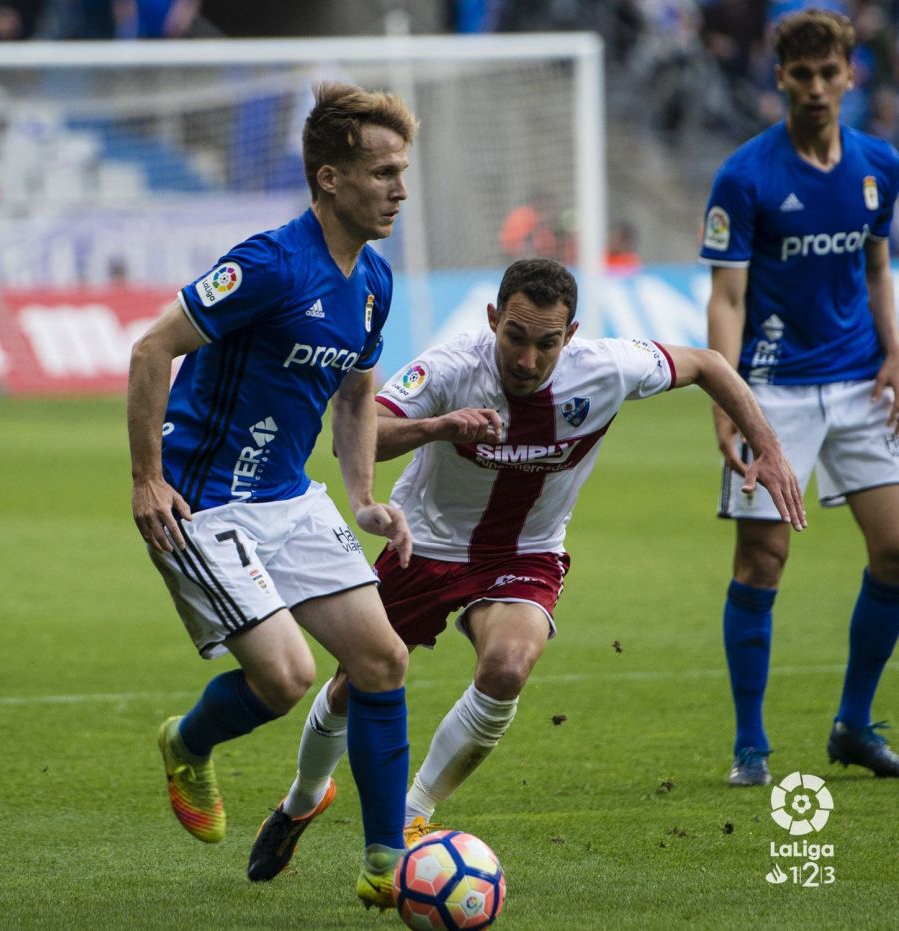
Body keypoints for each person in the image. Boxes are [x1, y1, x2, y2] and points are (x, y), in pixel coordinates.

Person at [245, 256, 807, 882]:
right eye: (515, 337)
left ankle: (412, 813)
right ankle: (304, 797)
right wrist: (438, 426)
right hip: (427, 544)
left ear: (571, 336)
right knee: (359, 682)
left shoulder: (606, 368)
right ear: (493, 320)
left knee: (509, 665)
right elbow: (358, 434)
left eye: (547, 343)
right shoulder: (452, 367)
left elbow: (707, 363)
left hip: (527, 551)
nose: (527, 359)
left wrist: (770, 446)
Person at [127, 81, 418, 910]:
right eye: (383, 172)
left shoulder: (374, 281)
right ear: (329, 178)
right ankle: (187, 740)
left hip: (290, 497)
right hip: (203, 500)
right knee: (289, 676)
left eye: (404, 171)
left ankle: (386, 861)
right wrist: (147, 478)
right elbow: (152, 347)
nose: (399, 188)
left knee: (382, 659)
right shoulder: (267, 264)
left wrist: (361, 496)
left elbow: (359, 392)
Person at [699, 8, 899, 786]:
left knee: (895, 551)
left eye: (830, 72)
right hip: (772, 391)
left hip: (858, 383)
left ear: (852, 74)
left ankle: (852, 721)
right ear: (779, 76)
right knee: (764, 558)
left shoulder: (878, 164)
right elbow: (727, 297)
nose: (817, 88)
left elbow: (877, 269)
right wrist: (725, 391)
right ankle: (751, 745)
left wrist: (894, 352)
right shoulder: (745, 175)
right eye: (802, 74)